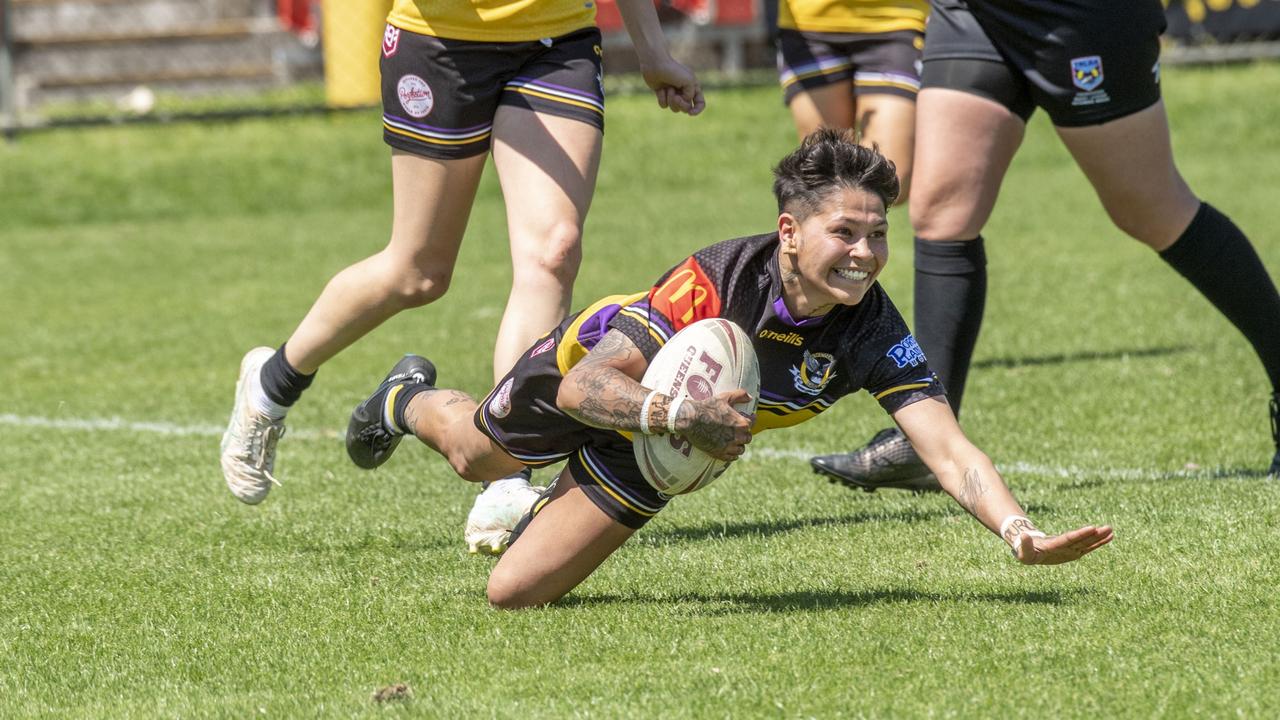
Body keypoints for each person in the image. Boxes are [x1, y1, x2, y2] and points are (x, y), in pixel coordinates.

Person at [342, 131, 1113, 608]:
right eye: (845, 232)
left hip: (660, 443)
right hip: (595, 374)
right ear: (790, 230)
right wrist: (681, 415)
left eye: (878, 236)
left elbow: (947, 450)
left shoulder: (872, 327)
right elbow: (585, 388)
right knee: (478, 456)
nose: (866, 254)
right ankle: (407, 396)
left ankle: (554, 507)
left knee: (513, 594)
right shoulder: (717, 280)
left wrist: (1019, 532)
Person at [220, 0, 707, 505]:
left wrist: (654, 53)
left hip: (558, 42)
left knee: (554, 251)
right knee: (419, 272)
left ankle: (506, 476)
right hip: (441, 45)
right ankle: (271, 382)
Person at [810, 0, 1280, 491]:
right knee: (942, 213)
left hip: (1078, 15)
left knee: (1152, 211)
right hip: (974, 13)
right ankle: (928, 443)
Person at [775, 0, 929, 200]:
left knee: (888, 178)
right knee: (822, 177)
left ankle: (863, 228)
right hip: (807, 23)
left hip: (898, 18)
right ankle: (847, 230)